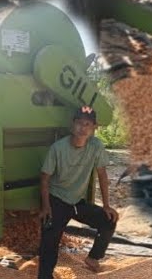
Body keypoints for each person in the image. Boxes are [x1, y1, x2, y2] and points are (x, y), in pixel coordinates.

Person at [37, 106, 117, 277]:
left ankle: (93, 258)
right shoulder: (58, 148)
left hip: (77, 202)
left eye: (87, 124)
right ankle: (45, 275)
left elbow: (102, 175)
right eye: (79, 123)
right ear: (72, 125)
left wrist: (106, 205)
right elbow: (45, 178)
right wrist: (45, 207)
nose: (83, 128)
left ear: (94, 127)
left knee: (109, 220)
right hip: (56, 200)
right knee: (49, 242)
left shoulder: (96, 146)